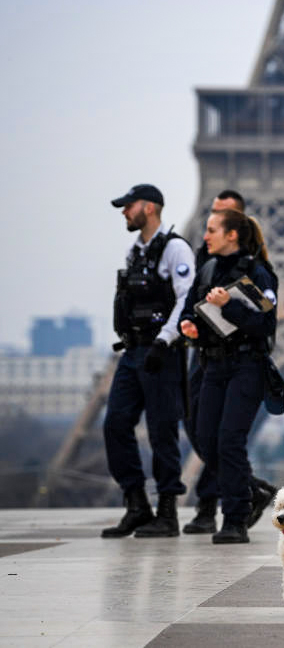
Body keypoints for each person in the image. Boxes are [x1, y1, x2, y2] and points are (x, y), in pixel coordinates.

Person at [180, 190, 278, 535]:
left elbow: (266, 325)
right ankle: (250, 490)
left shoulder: (258, 273)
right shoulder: (206, 270)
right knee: (206, 440)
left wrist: (229, 306)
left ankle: (235, 518)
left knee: (229, 440)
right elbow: (193, 310)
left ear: (231, 235)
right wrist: (190, 328)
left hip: (246, 367)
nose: (204, 236)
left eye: (211, 231)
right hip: (213, 366)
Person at [101, 184, 194, 538]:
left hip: (161, 351)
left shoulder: (175, 249)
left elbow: (186, 299)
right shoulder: (135, 251)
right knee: (115, 424)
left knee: (162, 430)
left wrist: (164, 340)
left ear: (150, 207)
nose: (124, 212)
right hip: (133, 350)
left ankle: (167, 512)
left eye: (129, 206)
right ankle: (137, 503)